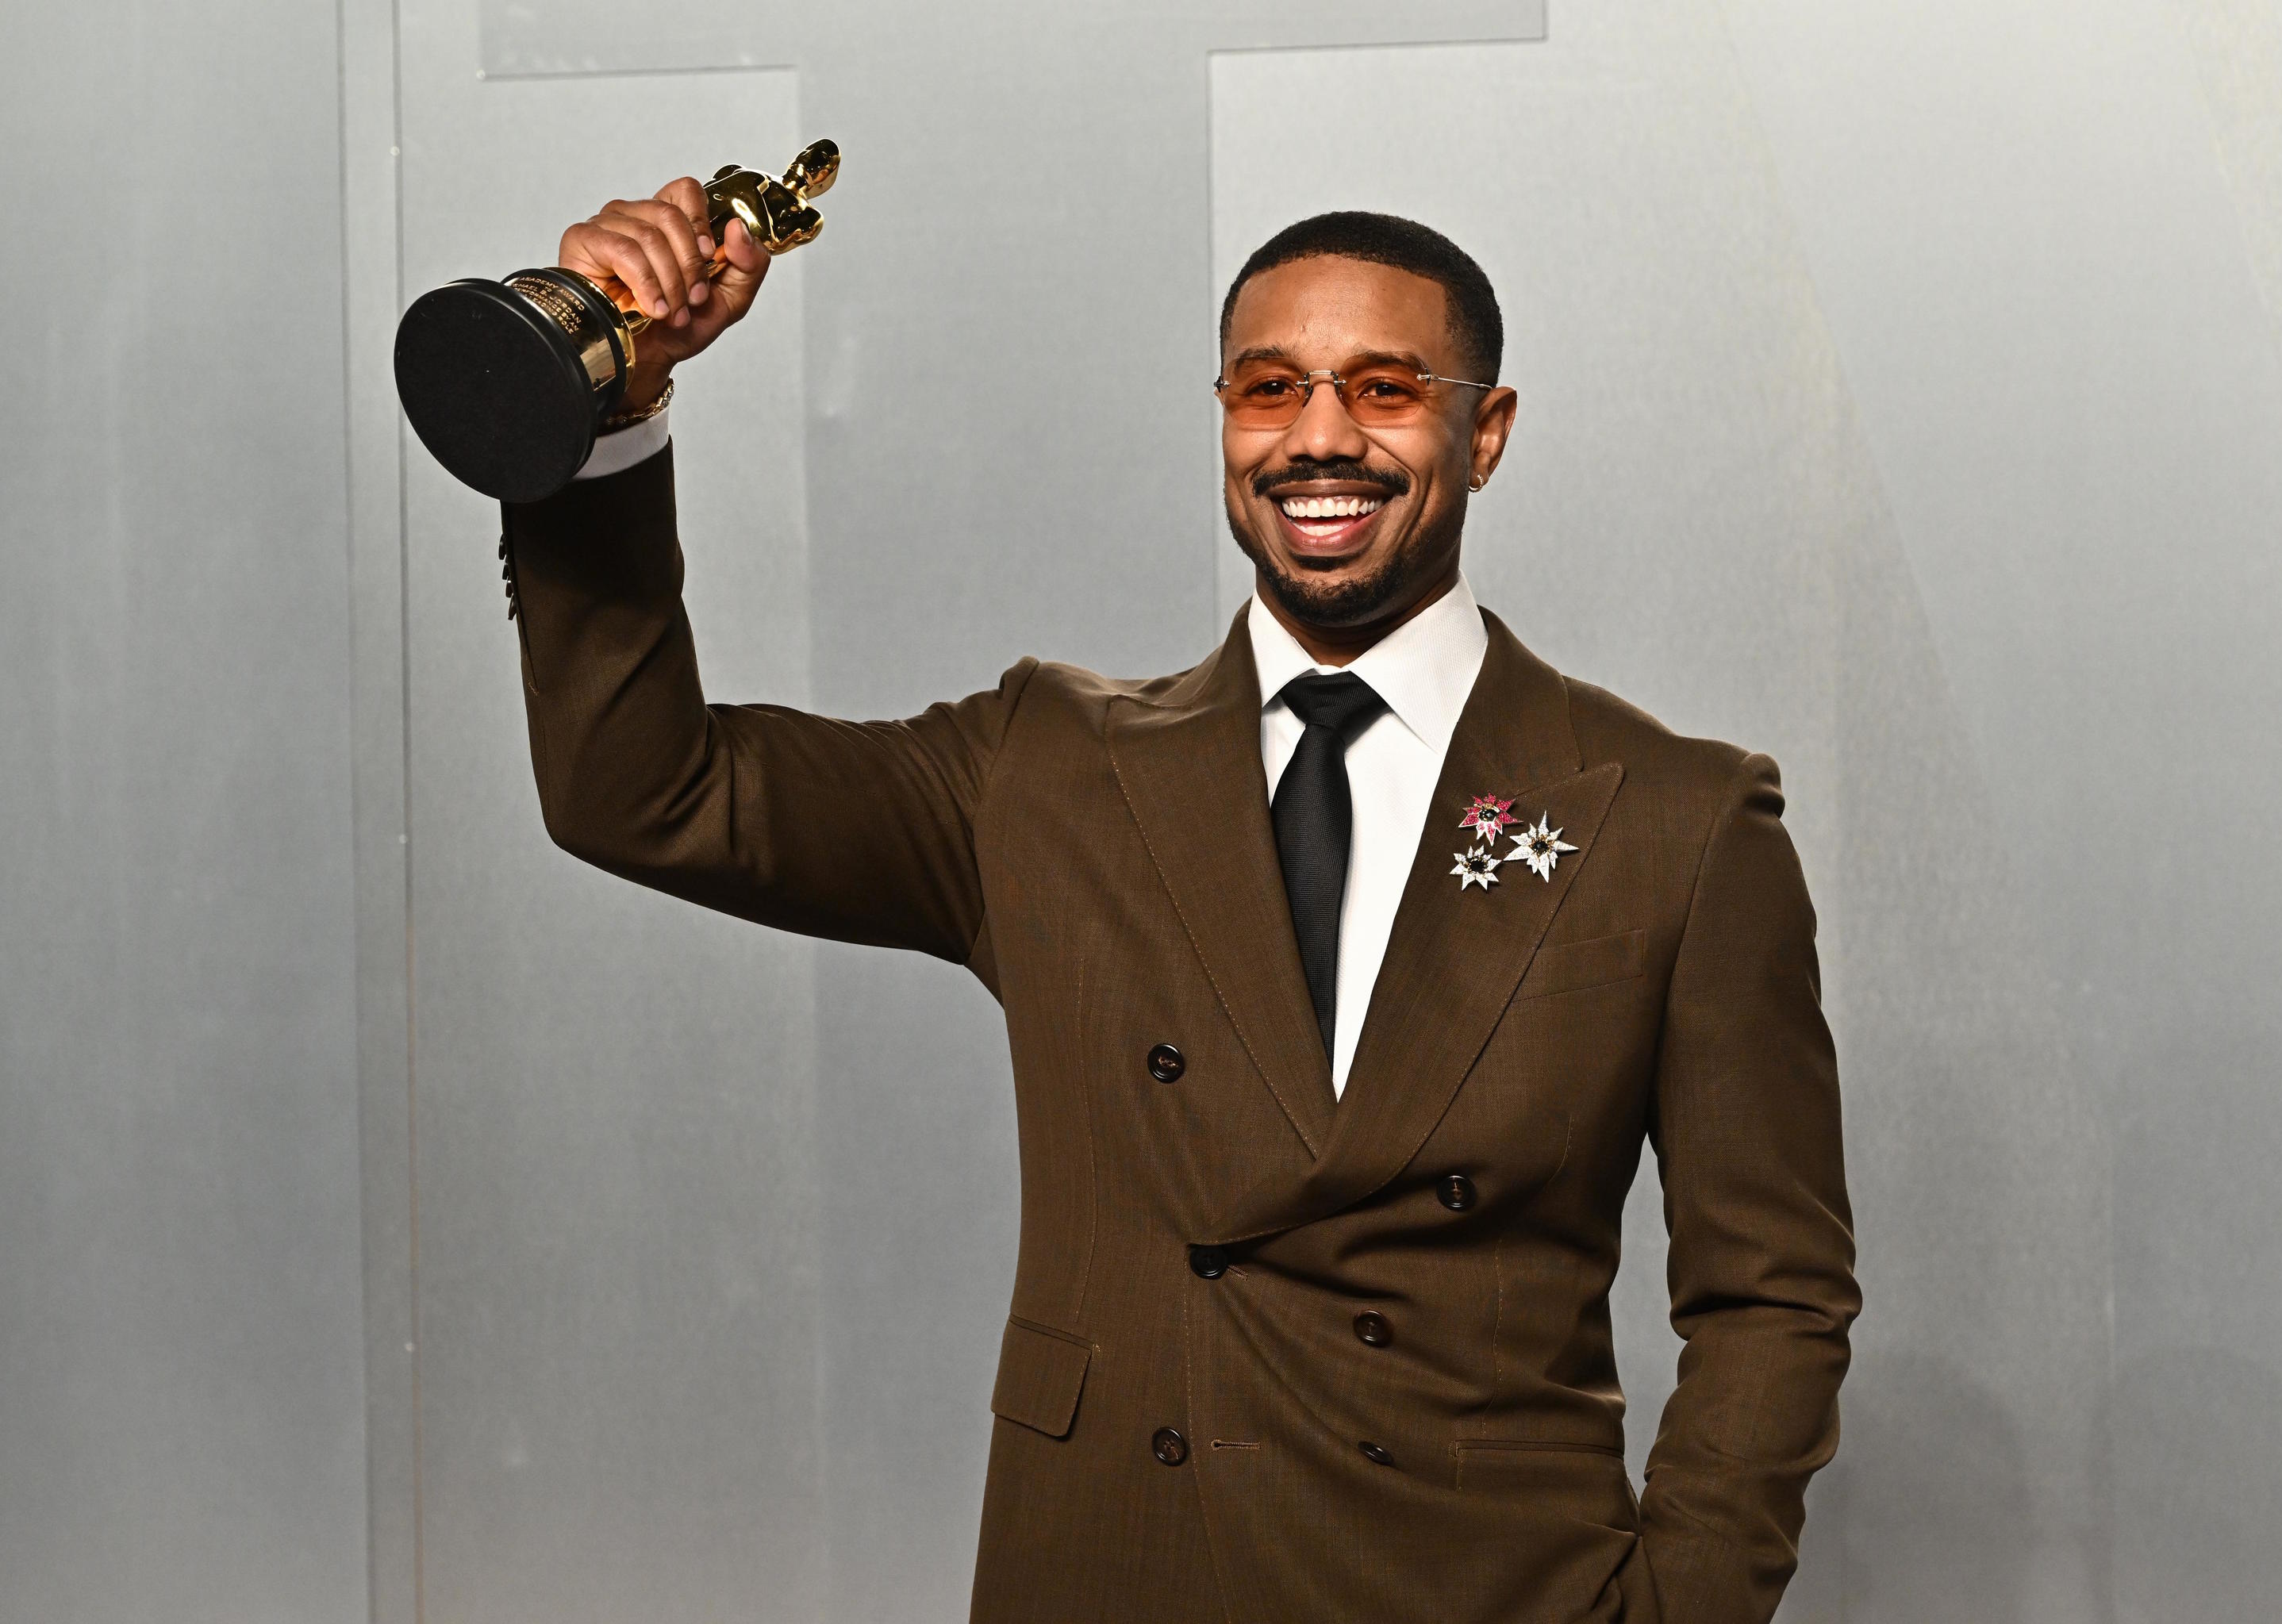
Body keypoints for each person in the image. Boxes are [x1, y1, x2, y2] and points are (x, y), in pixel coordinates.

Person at [498, 176, 1859, 1624]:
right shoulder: (1047, 768)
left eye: (1384, 388)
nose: (1318, 437)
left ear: (1486, 432)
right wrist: (612, 405)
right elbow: (645, 793)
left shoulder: (1674, 820)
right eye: (1269, 389)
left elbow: (1773, 1294)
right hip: (1116, 1573)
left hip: (1489, 1587)